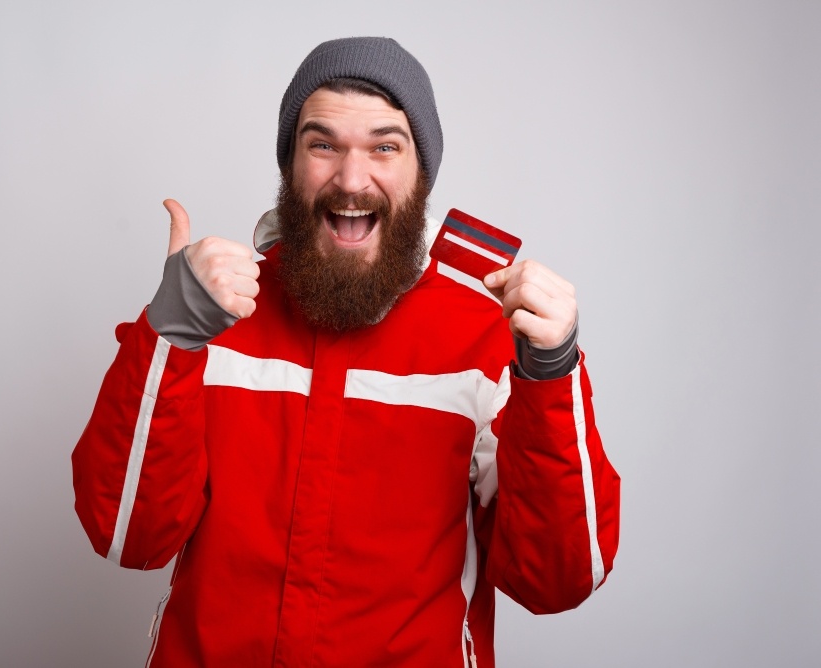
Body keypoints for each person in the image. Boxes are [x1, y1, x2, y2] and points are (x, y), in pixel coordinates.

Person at [72, 37, 620, 668]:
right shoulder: (213, 319)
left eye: (385, 146)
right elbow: (126, 537)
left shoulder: (486, 341)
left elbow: (557, 579)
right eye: (323, 144)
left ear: (422, 176)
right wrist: (167, 336)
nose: (352, 179)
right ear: (290, 166)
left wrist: (550, 377)